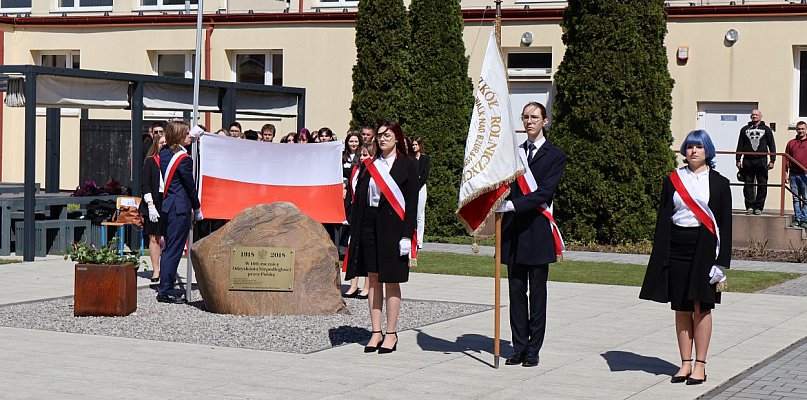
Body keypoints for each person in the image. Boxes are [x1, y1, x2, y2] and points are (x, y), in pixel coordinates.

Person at [640, 129, 732, 386]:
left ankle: (700, 365)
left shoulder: (720, 183)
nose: (693, 151)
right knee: (681, 306)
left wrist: (721, 262)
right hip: (677, 245)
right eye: (689, 147)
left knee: (701, 306)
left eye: (699, 147)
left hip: (705, 247)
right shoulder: (672, 180)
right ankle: (684, 363)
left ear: (707, 151)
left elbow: (724, 224)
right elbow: (664, 217)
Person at [495, 102, 566, 368]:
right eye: (525, 117)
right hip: (514, 233)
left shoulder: (555, 154)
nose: (529, 121)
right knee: (515, 294)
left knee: (537, 294)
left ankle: (534, 348)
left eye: (534, 117)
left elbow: (544, 192)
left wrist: (514, 205)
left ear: (545, 121)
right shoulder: (515, 153)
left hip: (537, 230)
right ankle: (518, 347)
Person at [344, 121, 418, 354]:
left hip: (393, 228)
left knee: (391, 278)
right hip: (369, 225)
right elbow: (362, 200)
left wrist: (407, 235)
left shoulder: (407, 165)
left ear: (397, 138)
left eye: (388, 135)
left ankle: (391, 332)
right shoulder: (370, 165)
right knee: (373, 279)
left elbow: (412, 205)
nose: (383, 139)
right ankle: (376, 331)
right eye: (380, 136)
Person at [157, 120, 204, 304]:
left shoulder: (165, 153)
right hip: (180, 207)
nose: (189, 137)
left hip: (169, 206)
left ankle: (165, 286)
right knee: (173, 250)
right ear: (178, 137)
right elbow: (190, 186)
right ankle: (166, 290)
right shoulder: (184, 160)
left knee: (169, 248)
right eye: (186, 134)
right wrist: (197, 207)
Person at [342, 142, 375, 300]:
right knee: (353, 246)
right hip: (355, 211)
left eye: (365, 155)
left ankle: (367, 287)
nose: (362, 158)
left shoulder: (374, 172)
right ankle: (353, 285)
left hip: (367, 213)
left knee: (367, 249)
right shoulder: (356, 170)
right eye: (360, 155)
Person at [735, 109, 776, 215]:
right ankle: (749, 207)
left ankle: (759, 207)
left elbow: (772, 145)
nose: (754, 116)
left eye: (756, 115)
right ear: (750, 116)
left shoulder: (766, 130)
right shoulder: (744, 129)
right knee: (748, 184)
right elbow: (740, 144)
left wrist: (772, 160)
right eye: (753, 115)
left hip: (762, 160)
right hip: (748, 160)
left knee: (762, 184)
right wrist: (738, 159)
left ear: (761, 116)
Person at [139, 132, 166, 283]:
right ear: (156, 144)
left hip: (167, 201)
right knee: (154, 237)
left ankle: (166, 268)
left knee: (167, 237)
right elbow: (146, 184)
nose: (163, 145)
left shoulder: (171, 160)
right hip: (154, 201)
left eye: (166, 143)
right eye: (161, 143)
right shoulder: (150, 161)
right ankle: (156, 270)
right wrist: (150, 204)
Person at [785, 121, 807, 228]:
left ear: (806, 129)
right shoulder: (791, 143)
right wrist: (785, 173)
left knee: (806, 198)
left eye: (802, 129)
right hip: (793, 174)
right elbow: (787, 159)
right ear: (796, 130)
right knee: (796, 198)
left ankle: (805, 219)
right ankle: (797, 219)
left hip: (805, 174)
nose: (800, 131)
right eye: (799, 129)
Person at [412, 138, 430, 250]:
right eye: (413, 145)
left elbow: (424, 174)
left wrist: (417, 185)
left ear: (420, 145)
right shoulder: (410, 158)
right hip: (411, 187)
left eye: (415, 144)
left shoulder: (425, 158)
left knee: (419, 214)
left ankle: (419, 240)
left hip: (420, 187)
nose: (414, 146)